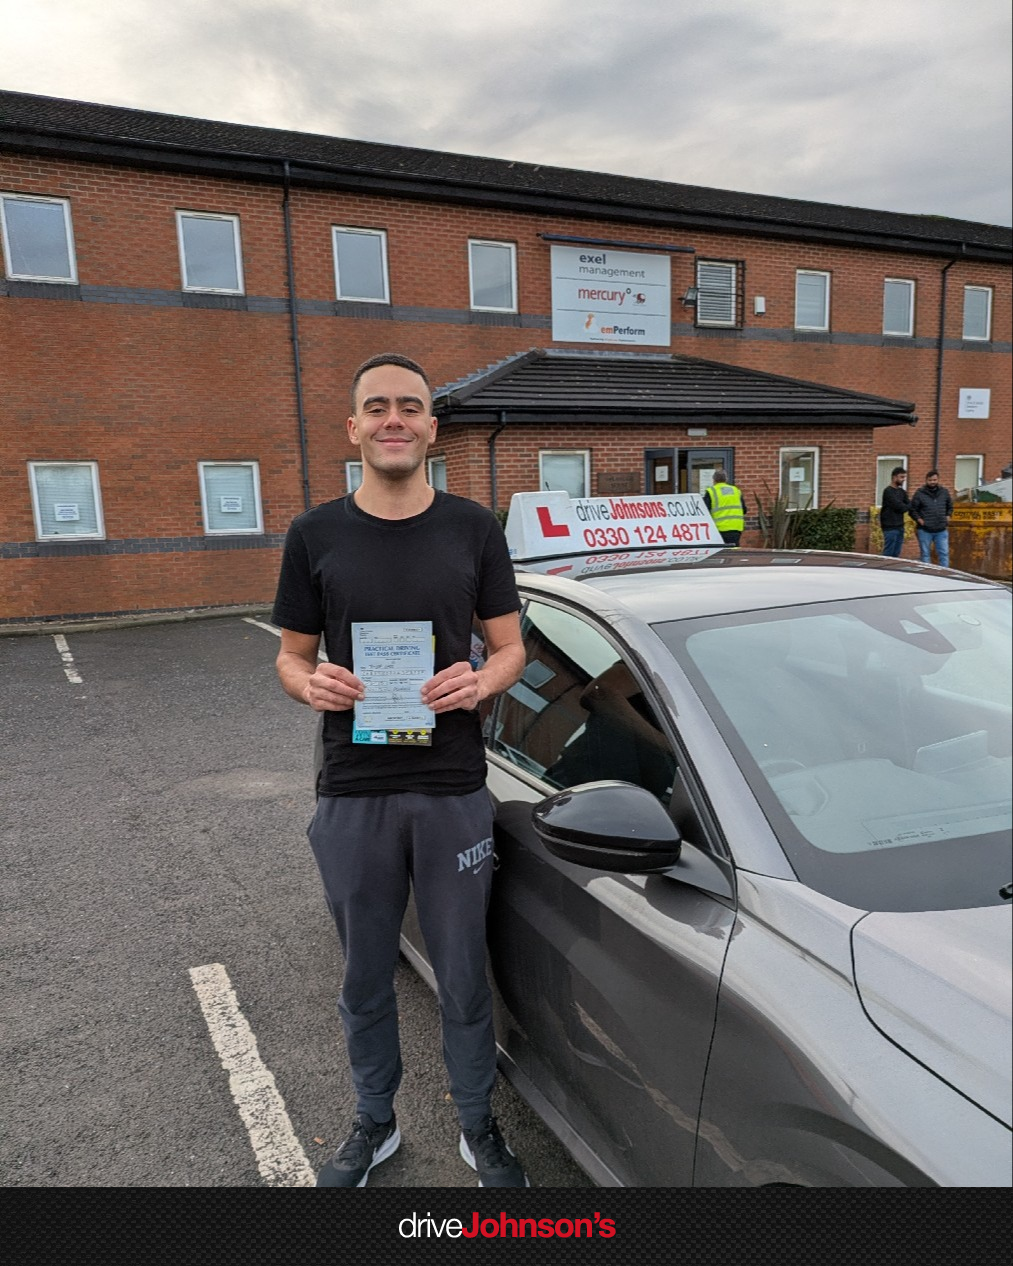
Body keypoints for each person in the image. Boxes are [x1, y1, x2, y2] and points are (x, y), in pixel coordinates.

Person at [271, 353, 527, 1188]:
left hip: (452, 788)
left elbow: (511, 647)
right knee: (364, 974)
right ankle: (374, 1121)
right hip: (351, 791)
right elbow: (290, 658)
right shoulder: (315, 534)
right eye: (375, 406)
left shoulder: (471, 528)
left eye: (409, 407)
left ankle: (474, 1123)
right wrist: (311, 683)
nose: (393, 419)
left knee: (461, 972)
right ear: (353, 428)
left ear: (429, 427)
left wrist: (480, 680)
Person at [909, 469, 953, 567]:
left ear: (938, 480)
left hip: (941, 529)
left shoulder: (944, 492)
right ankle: (927, 576)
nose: (932, 482)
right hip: (925, 530)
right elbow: (912, 509)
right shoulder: (920, 493)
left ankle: (944, 575)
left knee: (944, 553)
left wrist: (948, 515)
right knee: (925, 555)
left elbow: (950, 506)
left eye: (934, 480)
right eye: (930, 480)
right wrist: (919, 520)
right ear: (926, 480)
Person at [703, 469, 745, 545]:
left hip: (719, 528)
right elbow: (744, 510)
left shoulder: (711, 491)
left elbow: (705, 511)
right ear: (726, 479)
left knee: (719, 553)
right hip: (736, 527)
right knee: (733, 552)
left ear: (714, 480)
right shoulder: (736, 490)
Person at [879, 466, 911, 557]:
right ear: (894, 477)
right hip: (890, 527)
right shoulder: (888, 491)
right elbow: (900, 507)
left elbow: (909, 504)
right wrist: (907, 506)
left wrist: (908, 506)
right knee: (888, 553)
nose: (903, 479)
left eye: (904, 477)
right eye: (901, 477)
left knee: (897, 553)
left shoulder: (902, 492)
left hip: (900, 526)